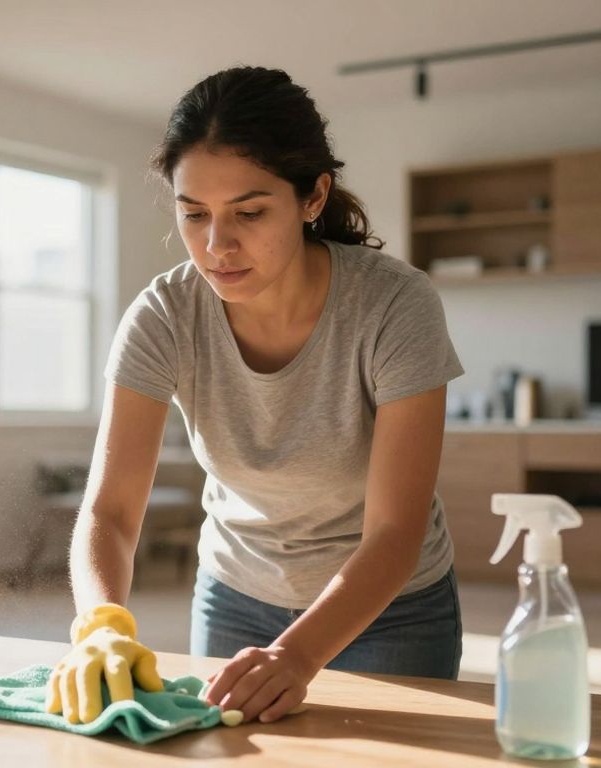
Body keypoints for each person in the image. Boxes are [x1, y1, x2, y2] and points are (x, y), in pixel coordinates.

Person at [45, 65, 464, 727]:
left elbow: (394, 532)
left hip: (390, 607)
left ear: (313, 196)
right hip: (236, 594)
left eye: (249, 212)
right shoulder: (164, 315)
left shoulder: (394, 305)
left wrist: (297, 657)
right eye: (194, 214)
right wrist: (101, 624)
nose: (217, 245)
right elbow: (112, 509)